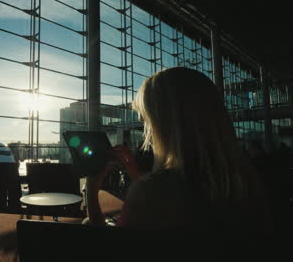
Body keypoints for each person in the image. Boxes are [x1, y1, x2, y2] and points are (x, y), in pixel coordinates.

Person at [84, 67, 270, 232]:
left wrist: (91, 193)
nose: (145, 129)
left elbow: (111, 252)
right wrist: (135, 173)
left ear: (165, 126)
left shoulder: (150, 192)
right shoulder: (248, 182)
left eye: (148, 120)